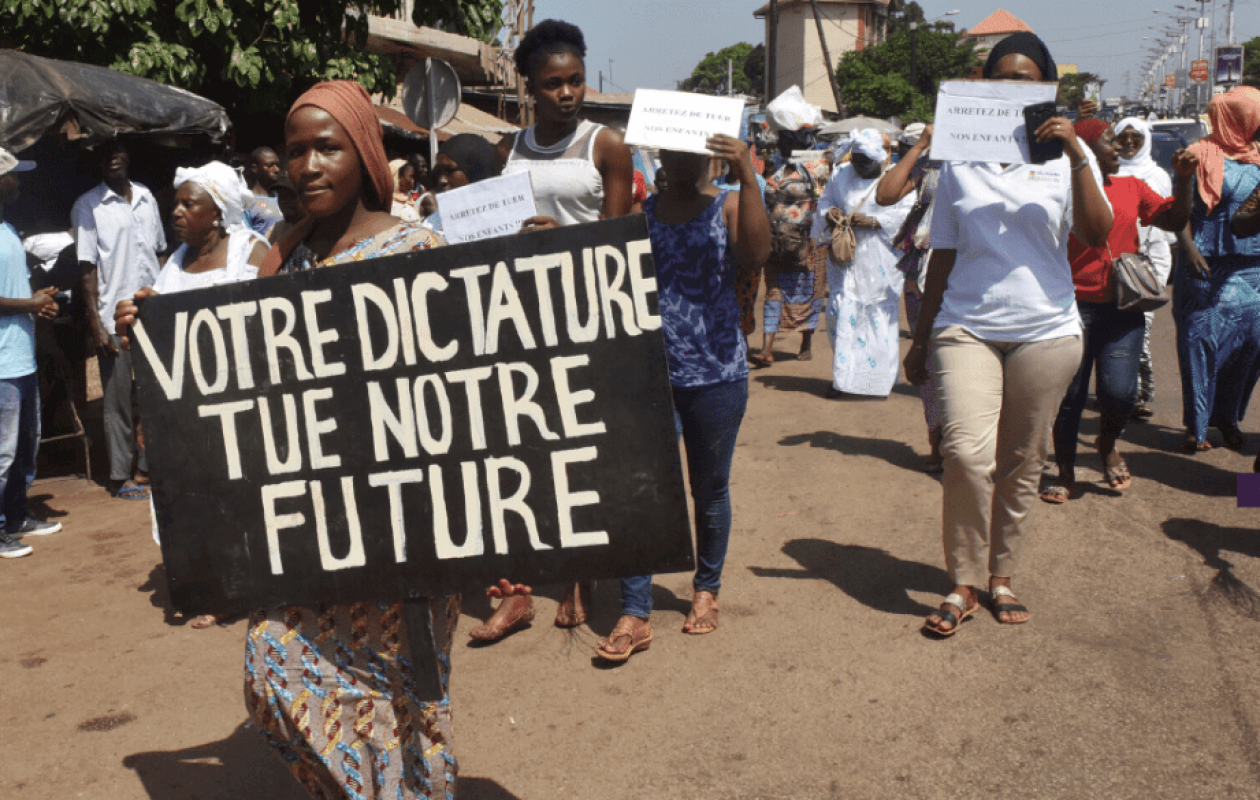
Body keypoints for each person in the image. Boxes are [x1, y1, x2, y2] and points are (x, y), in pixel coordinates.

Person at [239, 80, 457, 798]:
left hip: (402, 524)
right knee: (274, 670)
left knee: (397, 699)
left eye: (326, 148)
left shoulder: (420, 251)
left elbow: (466, 395)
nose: (306, 166)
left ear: (365, 154)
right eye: (296, 151)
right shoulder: (293, 258)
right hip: (314, 525)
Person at [903, 32, 1114, 636]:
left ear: (1045, 85)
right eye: (1003, 76)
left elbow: (1097, 233)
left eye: (1026, 79)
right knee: (966, 453)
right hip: (966, 325)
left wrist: (1076, 152)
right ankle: (963, 580)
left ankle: (1001, 575)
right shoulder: (959, 157)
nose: (1013, 88)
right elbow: (942, 253)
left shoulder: (1068, 155)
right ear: (984, 81)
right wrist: (920, 338)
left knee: (1023, 460)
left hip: (1046, 330)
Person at [476, 18, 635, 641]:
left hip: (583, 317)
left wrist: (563, 238)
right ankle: (515, 590)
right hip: (516, 324)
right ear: (529, 89)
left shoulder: (607, 146)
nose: (567, 93)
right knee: (518, 457)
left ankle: (577, 572)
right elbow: (483, 239)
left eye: (575, 80)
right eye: (553, 84)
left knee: (579, 453)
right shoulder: (505, 153)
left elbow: (617, 240)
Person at [595, 134, 771, 662]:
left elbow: (756, 254)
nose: (675, 161)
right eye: (667, 151)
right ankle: (634, 608)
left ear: (707, 155)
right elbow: (606, 264)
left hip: (717, 370)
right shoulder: (640, 212)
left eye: (686, 152)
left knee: (709, 487)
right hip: (650, 373)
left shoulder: (731, 204)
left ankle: (706, 589)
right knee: (643, 488)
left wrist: (746, 174)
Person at [114, 160, 269, 628]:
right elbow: (160, 341)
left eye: (188, 203)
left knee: (240, 493)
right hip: (188, 407)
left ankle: (243, 585)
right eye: (174, 203)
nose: (176, 213)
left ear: (219, 211)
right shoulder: (174, 265)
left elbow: (267, 321)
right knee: (191, 493)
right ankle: (207, 582)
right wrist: (134, 321)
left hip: (241, 400)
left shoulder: (253, 253)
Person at [1042, 119, 1196, 503]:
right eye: (1110, 141)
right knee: (1070, 398)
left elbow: (1174, 220)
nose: (1119, 148)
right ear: (1088, 150)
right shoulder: (1057, 191)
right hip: (1070, 308)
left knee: (1120, 393)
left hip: (1121, 309)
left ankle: (1106, 444)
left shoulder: (1131, 186)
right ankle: (1064, 470)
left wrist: (1184, 180)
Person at [72, 139, 166, 501]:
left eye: (118, 151)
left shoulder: (145, 198)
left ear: (128, 156)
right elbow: (87, 271)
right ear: (98, 163)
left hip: (152, 311)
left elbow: (159, 254)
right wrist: (96, 323)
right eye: (104, 154)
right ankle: (119, 475)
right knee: (118, 400)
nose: (112, 158)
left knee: (153, 395)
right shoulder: (89, 206)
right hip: (115, 315)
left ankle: (147, 468)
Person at [1175, 87, 1260, 453]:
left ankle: (1227, 417)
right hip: (1206, 264)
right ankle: (1197, 425)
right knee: (1201, 344)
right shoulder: (1198, 154)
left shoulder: (1258, 157)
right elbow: (1178, 209)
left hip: (1253, 268)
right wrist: (1188, 247)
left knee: (1248, 349)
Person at [812, 129, 915, 397]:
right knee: (841, 313)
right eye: (857, 159)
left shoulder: (896, 176)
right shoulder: (841, 174)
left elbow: (908, 214)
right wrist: (830, 213)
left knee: (877, 315)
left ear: (881, 158)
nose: (860, 165)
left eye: (866, 161)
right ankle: (844, 380)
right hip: (846, 256)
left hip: (880, 256)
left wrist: (874, 221)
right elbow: (826, 201)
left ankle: (876, 382)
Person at [0, 148, 60, 558]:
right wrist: (30, 304)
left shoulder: (6, 228)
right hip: (1, 363)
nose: (19, 182)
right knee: (2, 452)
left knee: (25, 446)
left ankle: (18, 516)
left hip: (21, 355)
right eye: (13, 176)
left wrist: (39, 303)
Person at [877, 122, 944, 471]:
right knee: (930, 362)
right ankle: (938, 441)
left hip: (976, 276)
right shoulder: (931, 164)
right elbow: (885, 195)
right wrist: (919, 146)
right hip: (923, 275)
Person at [1115, 117, 1177, 420]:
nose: (1128, 142)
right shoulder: (1104, 172)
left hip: (1150, 258)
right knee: (1113, 325)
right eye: (1123, 136)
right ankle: (1118, 390)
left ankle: (1138, 393)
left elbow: (1169, 223)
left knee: (1142, 323)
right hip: (1113, 258)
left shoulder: (1158, 175)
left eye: (1135, 136)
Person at [755, 128, 828, 365]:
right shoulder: (773, 167)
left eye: (787, 142)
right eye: (781, 141)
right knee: (774, 292)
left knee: (809, 293)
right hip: (776, 239)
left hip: (808, 240)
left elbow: (822, 196)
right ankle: (766, 349)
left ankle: (806, 343)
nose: (782, 146)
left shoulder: (815, 167)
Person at [421, 133, 504, 238]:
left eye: (450, 170)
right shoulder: (433, 224)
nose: (442, 180)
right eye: (439, 171)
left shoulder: (508, 220)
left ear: (476, 172)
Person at [242, 146, 284, 236]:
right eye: (270, 165)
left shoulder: (282, 199)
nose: (276, 170)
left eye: (278, 165)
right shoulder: (246, 201)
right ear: (255, 168)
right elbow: (244, 238)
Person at [389, 157, 422, 222]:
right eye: (410, 176)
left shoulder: (410, 201)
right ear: (399, 177)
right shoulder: (389, 207)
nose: (413, 181)